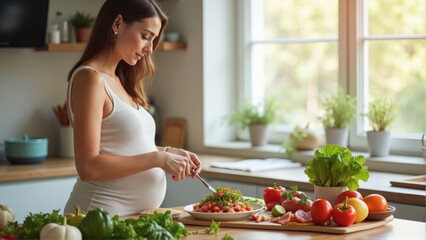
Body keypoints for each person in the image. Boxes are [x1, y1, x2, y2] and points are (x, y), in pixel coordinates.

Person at [64, 0, 202, 217]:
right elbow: (88, 167)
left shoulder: (120, 80)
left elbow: (123, 148)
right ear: (117, 23)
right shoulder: (90, 78)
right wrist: (159, 160)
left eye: (153, 40)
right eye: (146, 36)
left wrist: (168, 152)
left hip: (133, 219)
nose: (149, 49)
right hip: (98, 219)